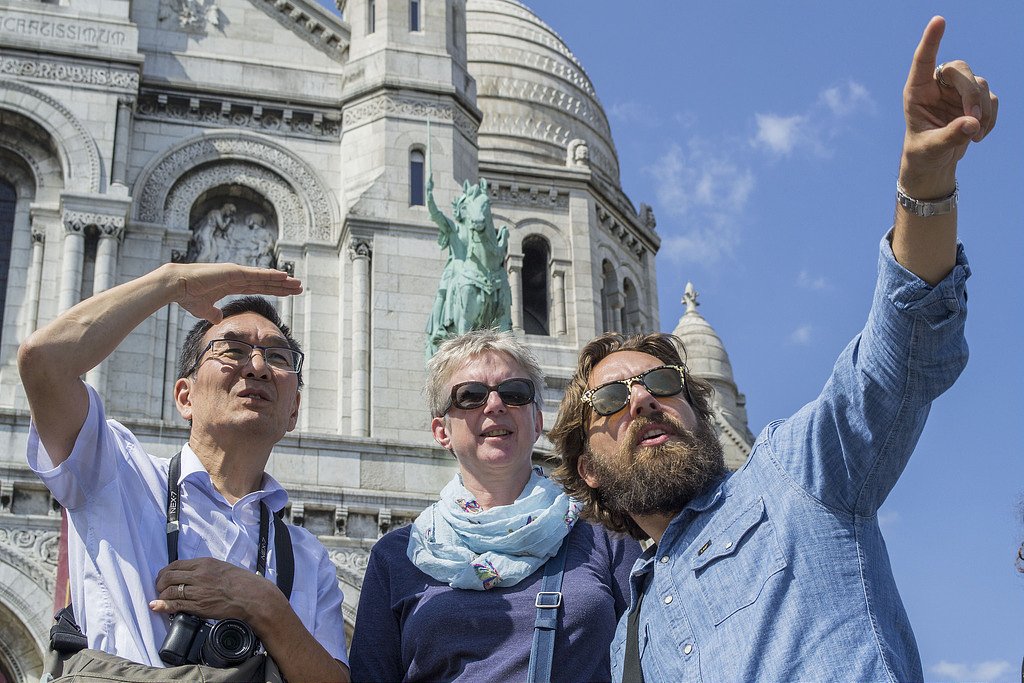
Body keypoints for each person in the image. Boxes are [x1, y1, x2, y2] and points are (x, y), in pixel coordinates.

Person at [549, 16, 997, 683]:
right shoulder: (627, 642)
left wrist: (924, 187)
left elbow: (896, 358)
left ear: (700, 408)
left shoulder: (795, 475)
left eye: (665, 382)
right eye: (611, 398)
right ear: (586, 467)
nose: (641, 397)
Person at [19, 263, 349, 682]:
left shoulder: (307, 556)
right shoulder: (116, 473)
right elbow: (44, 361)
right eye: (232, 350)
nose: (259, 367)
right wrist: (170, 283)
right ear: (185, 396)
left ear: (294, 412)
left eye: (278, 357)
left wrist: (265, 607)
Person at [349, 329, 641, 682]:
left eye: (514, 393)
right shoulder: (396, 557)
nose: (495, 405)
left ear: (536, 422)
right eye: (470, 395)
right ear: (441, 431)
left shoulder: (603, 536)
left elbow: (646, 658)